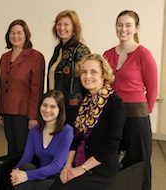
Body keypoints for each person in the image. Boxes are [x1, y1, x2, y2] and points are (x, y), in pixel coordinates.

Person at [49, 54, 125, 190]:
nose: (87, 76)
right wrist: (67, 166)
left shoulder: (115, 103)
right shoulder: (85, 102)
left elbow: (111, 146)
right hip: (79, 162)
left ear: (104, 74)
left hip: (100, 169)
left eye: (93, 72)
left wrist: (81, 169)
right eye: (84, 71)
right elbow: (76, 140)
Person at [103, 10, 158, 190]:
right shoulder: (108, 54)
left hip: (136, 117)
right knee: (115, 160)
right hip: (114, 115)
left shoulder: (144, 54)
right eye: (120, 25)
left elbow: (152, 89)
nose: (123, 29)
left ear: (136, 28)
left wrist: (143, 112)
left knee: (139, 161)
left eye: (128, 25)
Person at [0, 19, 45, 154]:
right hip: (7, 111)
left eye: (19, 33)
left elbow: (37, 89)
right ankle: (12, 175)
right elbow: (0, 86)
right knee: (11, 149)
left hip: (24, 113)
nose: (15, 36)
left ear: (26, 35)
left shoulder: (35, 57)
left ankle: (23, 175)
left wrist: (34, 116)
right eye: (12, 33)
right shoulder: (4, 57)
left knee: (23, 150)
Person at [9, 90, 73, 190]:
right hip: (41, 174)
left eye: (53, 107)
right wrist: (16, 171)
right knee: (25, 167)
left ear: (60, 110)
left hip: (58, 178)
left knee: (27, 184)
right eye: (44, 105)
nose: (47, 110)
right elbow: (26, 158)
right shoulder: (35, 131)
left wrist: (27, 176)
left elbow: (56, 166)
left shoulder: (67, 131)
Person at [47, 10, 91, 125]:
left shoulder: (81, 50)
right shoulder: (58, 49)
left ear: (74, 28)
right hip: (55, 106)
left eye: (66, 24)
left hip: (73, 108)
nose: (62, 28)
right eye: (59, 24)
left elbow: (87, 81)